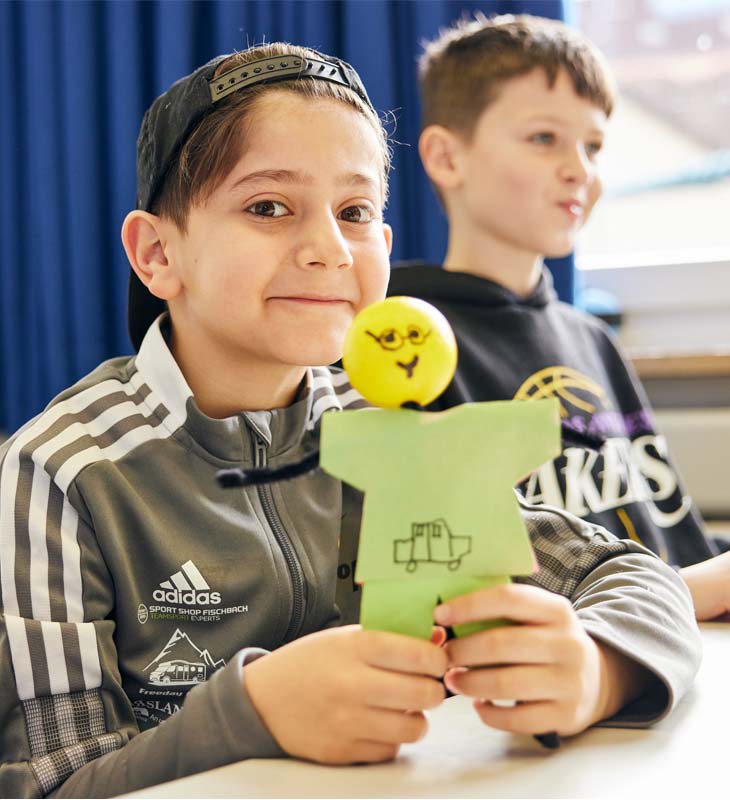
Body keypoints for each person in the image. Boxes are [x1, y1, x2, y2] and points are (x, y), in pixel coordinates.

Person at [0, 41, 700, 799]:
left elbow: (624, 572)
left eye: (355, 212)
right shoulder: (60, 475)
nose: (329, 249)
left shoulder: (394, 431)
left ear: (386, 248)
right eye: (269, 207)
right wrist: (255, 712)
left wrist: (601, 664)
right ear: (157, 253)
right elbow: (50, 783)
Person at [388, 12, 730, 622]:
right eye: (544, 138)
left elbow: (672, 535)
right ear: (446, 158)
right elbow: (476, 591)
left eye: (593, 146)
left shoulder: (591, 338)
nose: (580, 169)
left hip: (685, 647)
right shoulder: (404, 344)